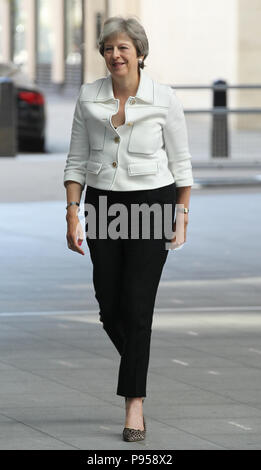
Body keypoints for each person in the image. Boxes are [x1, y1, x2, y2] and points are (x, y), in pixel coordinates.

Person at [63, 16, 193, 442]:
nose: (115, 55)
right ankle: (137, 360)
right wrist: (71, 211)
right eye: (108, 49)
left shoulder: (164, 98)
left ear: (139, 52)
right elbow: (76, 159)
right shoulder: (88, 97)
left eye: (122, 48)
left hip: (153, 203)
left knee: (137, 308)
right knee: (108, 306)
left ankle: (133, 406)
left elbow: (182, 163)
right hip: (103, 205)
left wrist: (182, 215)